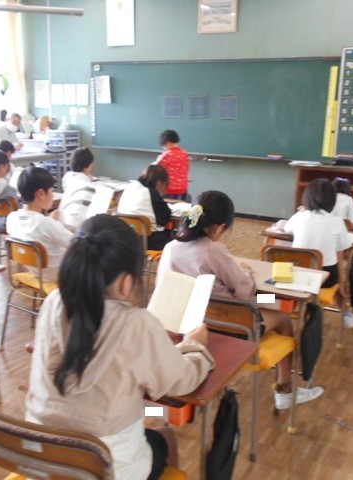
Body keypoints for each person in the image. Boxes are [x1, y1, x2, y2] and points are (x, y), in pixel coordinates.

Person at [26, 214, 213, 480]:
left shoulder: (52, 302)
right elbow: (183, 381)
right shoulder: (136, 324)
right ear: (126, 281)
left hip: (39, 461)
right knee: (166, 434)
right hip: (105, 468)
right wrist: (195, 345)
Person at [157, 190, 323, 409]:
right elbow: (243, 291)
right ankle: (285, 388)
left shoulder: (170, 247)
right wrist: (246, 272)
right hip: (230, 324)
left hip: (185, 323)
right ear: (219, 227)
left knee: (265, 299)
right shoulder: (213, 249)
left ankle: (275, 302)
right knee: (281, 315)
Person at [283, 178, 353, 326]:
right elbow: (340, 257)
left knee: (271, 295)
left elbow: (286, 228)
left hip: (296, 276)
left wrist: (302, 211)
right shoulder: (338, 222)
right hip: (325, 279)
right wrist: (342, 282)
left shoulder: (299, 217)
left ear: (307, 198)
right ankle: (345, 314)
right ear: (332, 201)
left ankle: (259, 302)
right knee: (334, 286)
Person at [6, 166, 73, 283]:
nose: (53, 195)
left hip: (35, 271)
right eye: (52, 191)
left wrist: (50, 220)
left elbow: (32, 228)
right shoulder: (46, 224)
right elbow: (76, 244)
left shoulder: (11, 218)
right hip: (59, 275)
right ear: (41, 194)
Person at [117, 165, 173, 250]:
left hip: (127, 237)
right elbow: (164, 219)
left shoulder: (130, 186)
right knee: (176, 237)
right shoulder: (150, 193)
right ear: (159, 183)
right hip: (149, 240)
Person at [153, 130, 189, 200]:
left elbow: (154, 170)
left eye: (163, 145)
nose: (163, 148)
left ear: (167, 142)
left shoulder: (167, 154)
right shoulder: (185, 154)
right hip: (182, 190)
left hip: (168, 190)